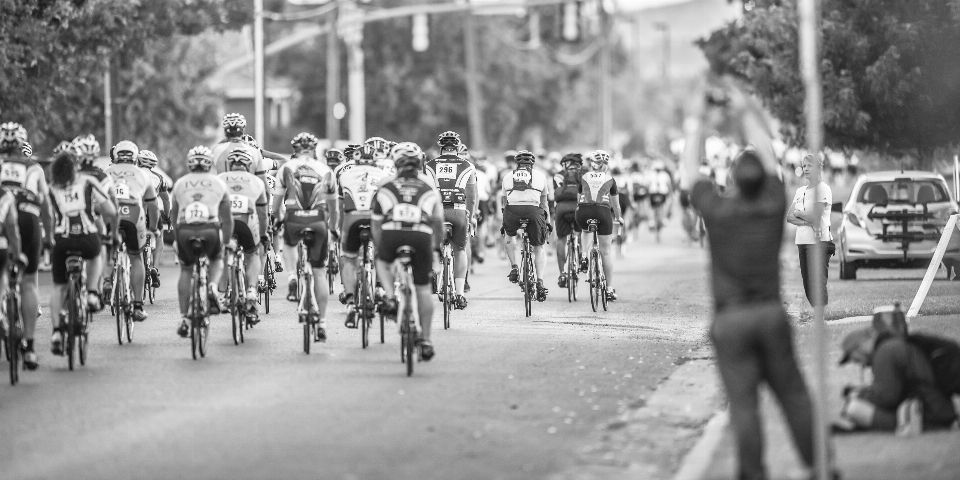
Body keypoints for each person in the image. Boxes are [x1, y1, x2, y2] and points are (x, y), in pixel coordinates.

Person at [682, 79, 830, 480]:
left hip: (730, 320)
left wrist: (696, 121)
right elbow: (770, 160)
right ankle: (820, 466)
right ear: (763, 183)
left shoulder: (717, 210)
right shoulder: (772, 203)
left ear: (730, 182)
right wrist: (745, 108)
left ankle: (753, 474)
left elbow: (689, 175)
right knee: (795, 396)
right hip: (769, 313)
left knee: (743, 407)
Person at [371, 142, 443, 360]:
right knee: (423, 289)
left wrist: (378, 247)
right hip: (421, 236)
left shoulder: (386, 183)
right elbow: (438, 221)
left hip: (392, 234)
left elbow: (376, 222)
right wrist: (436, 248)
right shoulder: (429, 185)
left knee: (381, 262)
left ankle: (391, 298)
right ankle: (427, 340)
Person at [47, 151, 118, 355]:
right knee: (96, 255)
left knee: (58, 286)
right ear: (75, 168)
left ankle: (57, 332)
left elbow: (50, 218)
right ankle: (93, 294)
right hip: (87, 238)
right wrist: (111, 233)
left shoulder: (52, 188)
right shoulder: (87, 181)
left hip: (61, 241)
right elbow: (110, 211)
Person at [273, 132, 337, 341]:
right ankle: (322, 323)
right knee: (319, 273)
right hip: (318, 221)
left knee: (290, 244)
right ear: (314, 149)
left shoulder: (286, 168)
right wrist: (333, 228)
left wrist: (277, 219)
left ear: (295, 150)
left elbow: (277, 205)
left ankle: (292, 276)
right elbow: (333, 208)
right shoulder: (326, 169)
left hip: (294, 218)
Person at [0, 122, 53, 369]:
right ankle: (30, 348)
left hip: (2, 217)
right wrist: (50, 237)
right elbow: (46, 208)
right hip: (28, 219)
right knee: (29, 282)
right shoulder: (34, 168)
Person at [837, 324, 957, 432]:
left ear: (863, 344)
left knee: (853, 409)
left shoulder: (885, 352)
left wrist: (861, 395)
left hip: (927, 417)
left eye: (853, 356)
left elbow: (887, 398)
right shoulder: (893, 345)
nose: (858, 363)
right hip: (936, 410)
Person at [170, 146, 233, 338]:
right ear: (210, 163)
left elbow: (174, 216)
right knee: (216, 259)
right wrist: (227, 242)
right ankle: (213, 287)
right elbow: (228, 219)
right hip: (210, 229)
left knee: (186, 269)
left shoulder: (180, 184)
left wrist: (176, 237)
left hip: (185, 230)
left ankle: (184, 318)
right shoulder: (218, 183)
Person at [105, 141, 160, 322]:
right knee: (136, 257)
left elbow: (95, 200)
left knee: (107, 250)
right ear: (135, 157)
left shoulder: (106, 172)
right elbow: (152, 205)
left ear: (116, 155)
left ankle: (106, 281)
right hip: (133, 215)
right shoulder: (142, 174)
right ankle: (137, 305)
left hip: (110, 215)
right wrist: (152, 230)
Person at [423, 131, 477, 309]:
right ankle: (460, 293)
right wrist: (471, 216)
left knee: (430, 244)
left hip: (437, 211)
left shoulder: (429, 165)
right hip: (458, 211)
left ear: (441, 147)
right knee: (460, 250)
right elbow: (472, 197)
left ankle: (432, 273)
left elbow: (424, 192)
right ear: (457, 147)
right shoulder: (467, 165)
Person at [336, 143, 389, 328]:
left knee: (349, 259)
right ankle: (381, 288)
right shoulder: (383, 175)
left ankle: (350, 303)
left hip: (352, 219)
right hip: (375, 220)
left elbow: (340, 207)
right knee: (383, 256)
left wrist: (338, 229)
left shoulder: (344, 174)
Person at [218, 148, 269, 323]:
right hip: (247, 222)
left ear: (229, 165)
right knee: (252, 253)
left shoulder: (219, 179)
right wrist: (263, 235)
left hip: (225, 222)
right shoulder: (256, 181)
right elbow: (262, 214)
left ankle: (223, 294)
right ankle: (251, 291)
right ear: (249, 166)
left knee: (223, 253)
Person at [72, 134, 117, 306]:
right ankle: (95, 288)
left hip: (65, 225)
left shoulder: (68, 173)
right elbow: (109, 207)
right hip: (92, 219)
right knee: (100, 244)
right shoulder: (100, 175)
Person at [500, 150, 550, 301]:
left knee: (509, 236)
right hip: (533, 211)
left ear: (517, 164)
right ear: (532, 164)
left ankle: (514, 267)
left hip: (512, 211)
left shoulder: (507, 176)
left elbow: (505, 202)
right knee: (539, 247)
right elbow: (544, 203)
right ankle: (540, 281)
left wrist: (505, 221)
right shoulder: (541, 176)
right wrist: (547, 223)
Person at [787, 153, 833, 307]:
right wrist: (808, 220)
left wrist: (799, 213)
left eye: (809, 166)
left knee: (817, 281)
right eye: (804, 165)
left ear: (819, 168)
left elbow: (816, 215)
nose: (806, 169)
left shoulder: (823, 189)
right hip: (802, 241)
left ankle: (821, 316)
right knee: (807, 283)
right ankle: (817, 313)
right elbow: (789, 217)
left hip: (818, 241)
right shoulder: (800, 191)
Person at [575, 150, 623, 301]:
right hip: (603, 213)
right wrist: (619, 218)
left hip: (583, 213)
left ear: (592, 164)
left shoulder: (583, 177)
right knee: (606, 252)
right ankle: (609, 289)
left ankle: (583, 255)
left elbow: (579, 200)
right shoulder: (610, 179)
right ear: (606, 166)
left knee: (585, 228)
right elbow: (616, 205)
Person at [137, 149, 169, 278]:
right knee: (159, 236)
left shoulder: (134, 174)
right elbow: (166, 199)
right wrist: (167, 216)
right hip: (153, 212)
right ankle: (154, 267)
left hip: (136, 211)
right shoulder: (159, 177)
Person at [553, 153, 584, 288]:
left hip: (562, 209)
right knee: (582, 232)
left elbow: (555, 194)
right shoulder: (584, 175)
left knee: (561, 239)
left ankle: (563, 273)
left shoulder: (558, 176)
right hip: (579, 208)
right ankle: (582, 257)